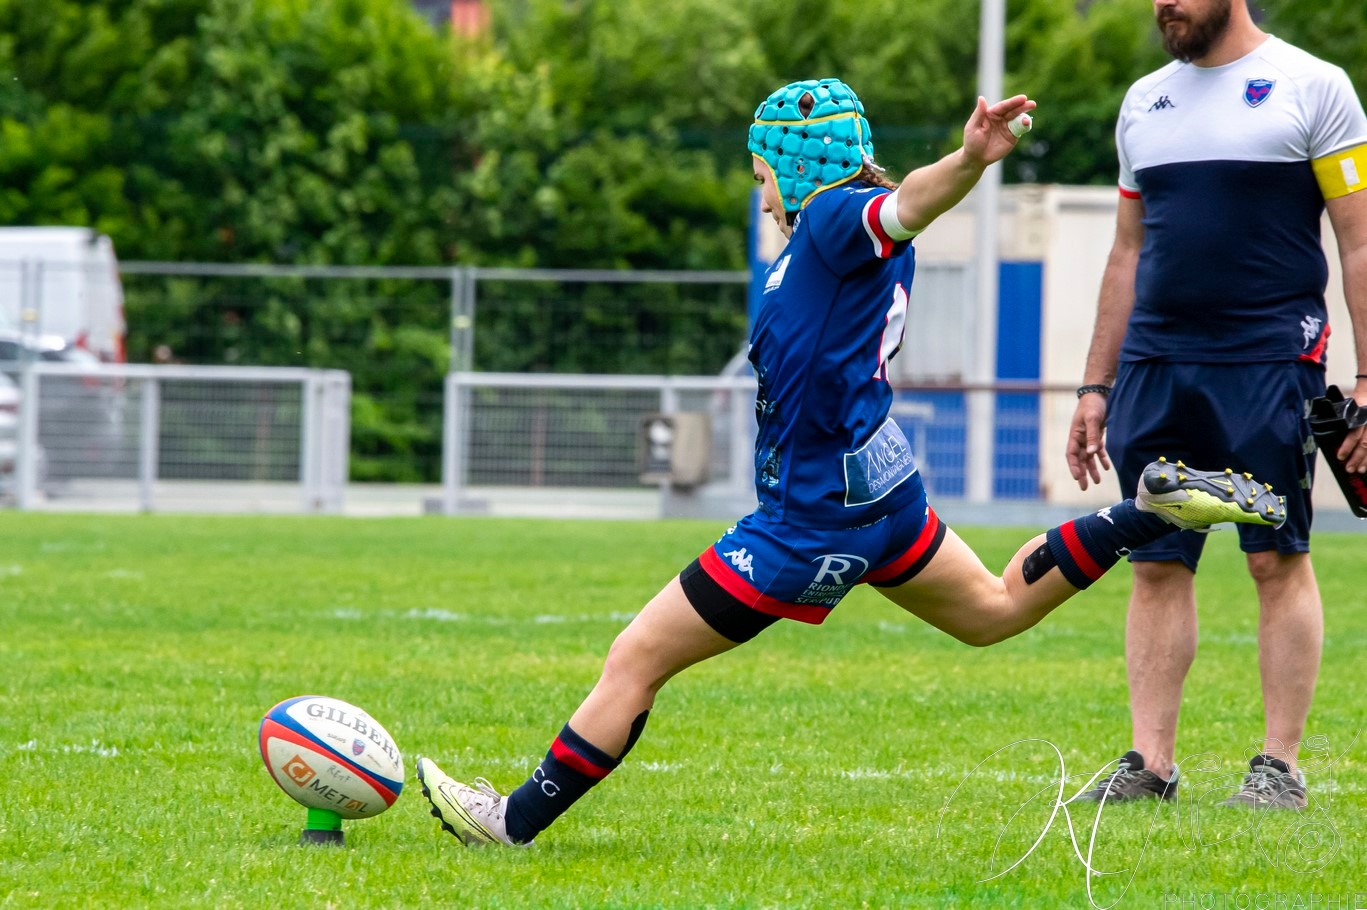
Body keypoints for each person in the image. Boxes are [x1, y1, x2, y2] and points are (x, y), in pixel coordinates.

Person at [417, 78, 1286, 847]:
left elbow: (902, 205)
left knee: (636, 658)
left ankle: (511, 822)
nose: (760, 190)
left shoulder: (835, 220)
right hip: (881, 498)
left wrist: (968, 159)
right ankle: (1146, 514)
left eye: (762, 172)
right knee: (991, 611)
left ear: (794, 167)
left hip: (805, 521)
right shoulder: (831, 243)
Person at [1066, 0, 1367, 810]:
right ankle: (1150, 763)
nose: (1162, 3)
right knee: (1155, 558)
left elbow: (1358, 241)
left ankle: (1279, 767)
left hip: (1269, 360)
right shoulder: (1143, 101)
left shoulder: (1313, 86)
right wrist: (1095, 384)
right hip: (1154, 362)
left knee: (1274, 557)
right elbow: (1125, 251)